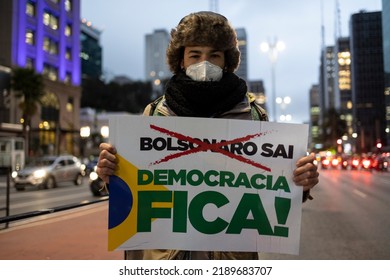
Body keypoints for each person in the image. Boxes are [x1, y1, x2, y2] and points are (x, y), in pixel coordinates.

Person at [97, 11, 319, 260]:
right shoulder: (155, 113)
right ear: (181, 60)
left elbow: (273, 194)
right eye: (195, 54)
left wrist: (300, 183)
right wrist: (111, 174)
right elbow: (135, 189)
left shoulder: (254, 117)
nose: (205, 63)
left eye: (214, 55)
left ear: (227, 61)